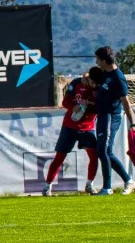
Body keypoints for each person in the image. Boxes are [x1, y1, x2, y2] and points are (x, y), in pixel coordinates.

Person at [43, 67, 102, 195]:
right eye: (85, 78)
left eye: (89, 80)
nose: (85, 81)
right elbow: (65, 102)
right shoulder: (75, 83)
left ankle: (90, 184)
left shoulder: (98, 88)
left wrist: (88, 106)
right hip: (69, 127)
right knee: (59, 157)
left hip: (87, 128)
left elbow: (99, 108)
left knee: (94, 156)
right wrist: (73, 106)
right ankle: (47, 186)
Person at [91, 45, 135, 195]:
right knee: (105, 151)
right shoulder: (105, 73)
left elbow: (126, 103)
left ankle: (107, 187)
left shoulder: (118, 78)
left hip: (111, 117)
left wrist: (133, 124)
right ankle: (128, 181)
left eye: (98, 60)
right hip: (102, 116)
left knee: (103, 150)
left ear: (104, 61)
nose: (96, 62)